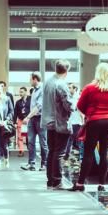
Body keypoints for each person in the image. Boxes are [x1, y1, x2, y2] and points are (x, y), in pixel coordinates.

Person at [71, 62, 108, 192]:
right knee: (105, 153)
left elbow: (80, 105)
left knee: (88, 153)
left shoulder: (89, 88)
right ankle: (102, 184)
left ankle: (80, 183)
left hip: (94, 121)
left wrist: (89, 113)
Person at [41, 60, 75, 189]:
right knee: (59, 153)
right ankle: (57, 181)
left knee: (52, 151)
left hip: (48, 122)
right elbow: (69, 105)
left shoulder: (48, 82)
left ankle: (50, 181)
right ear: (66, 71)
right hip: (59, 123)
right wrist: (74, 104)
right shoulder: (61, 84)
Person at [21, 73, 48, 171]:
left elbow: (39, 106)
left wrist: (28, 117)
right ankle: (31, 163)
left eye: (30, 79)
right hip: (33, 119)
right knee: (31, 142)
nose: (29, 81)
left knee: (43, 142)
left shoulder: (43, 89)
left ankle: (44, 164)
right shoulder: (34, 90)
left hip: (41, 119)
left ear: (35, 79)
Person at [62, 83, 82, 162]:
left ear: (75, 89)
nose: (68, 89)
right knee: (70, 139)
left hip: (77, 122)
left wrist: (82, 121)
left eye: (70, 87)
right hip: (71, 121)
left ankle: (77, 156)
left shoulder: (78, 98)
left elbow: (79, 111)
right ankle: (67, 154)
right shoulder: (69, 98)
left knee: (76, 139)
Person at [14, 86, 30, 155]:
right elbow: (15, 113)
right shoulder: (18, 102)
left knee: (28, 136)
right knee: (20, 136)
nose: (20, 93)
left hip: (29, 120)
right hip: (20, 120)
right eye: (20, 92)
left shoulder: (30, 100)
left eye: (22, 92)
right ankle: (21, 150)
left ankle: (30, 149)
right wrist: (14, 122)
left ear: (26, 92)